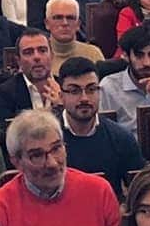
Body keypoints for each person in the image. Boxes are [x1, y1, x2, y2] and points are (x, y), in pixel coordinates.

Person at [57, 57, 144, 197]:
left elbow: (140, 191)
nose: (84, 98)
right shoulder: (48, 139)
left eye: (91, 89)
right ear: (61, 96)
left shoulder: (121, 138)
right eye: (75, 91)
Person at [99, 24, 150, 134]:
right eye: (139, 56)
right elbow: (104, 131)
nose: (146, 63)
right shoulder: (109, 86)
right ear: (126, 56)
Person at [0, 29, 60, 120]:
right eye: (28, 52)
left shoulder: (66, 88)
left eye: (42, 50)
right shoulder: (3, 94)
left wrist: (62, 107)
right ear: (18, 60)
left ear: (52, 56)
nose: (36, 57)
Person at [44, 0, 103, 75]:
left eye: (70, 18)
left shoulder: (93, 54)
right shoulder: (37, 55)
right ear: (47, 23)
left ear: (78, 24)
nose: (65, 23)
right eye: (58, 18)